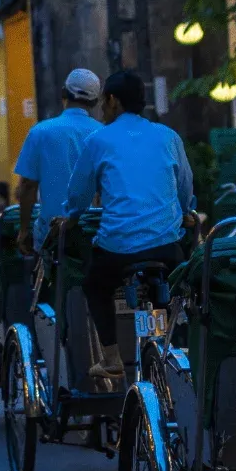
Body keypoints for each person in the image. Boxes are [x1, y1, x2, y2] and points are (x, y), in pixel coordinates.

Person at [56, 70, 197, 381]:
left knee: (95, 285)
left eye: (105, 102)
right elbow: (185, 186)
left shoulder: (98, 140)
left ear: (113, 101)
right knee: (179, 284)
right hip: (165, 247)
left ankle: (110, 357)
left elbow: (78, 194)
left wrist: (72, 215)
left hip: (118, 249)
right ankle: (179, 348)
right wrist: (187, 211)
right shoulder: (168, 136)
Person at [13, 69, 103, 256]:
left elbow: (28, 186)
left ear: (63, 93)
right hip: (95, 231)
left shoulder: (41, 132)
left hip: (51, 233)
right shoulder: (104, 134)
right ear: (95, 102)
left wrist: (23, 231)